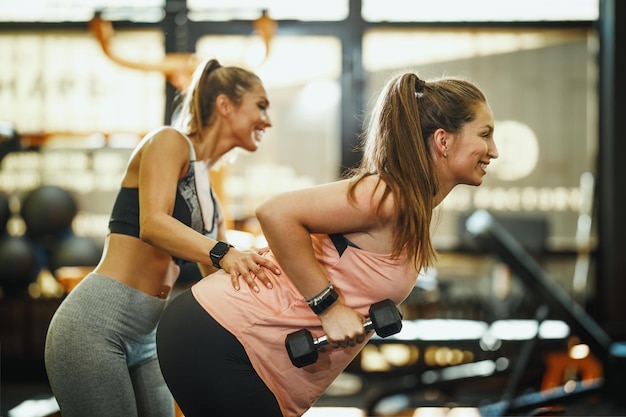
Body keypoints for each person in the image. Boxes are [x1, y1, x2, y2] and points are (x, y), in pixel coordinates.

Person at [156, 71, 499, 417]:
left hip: (236, 346)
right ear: (443, 140)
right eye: (485, 135)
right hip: (223, 336)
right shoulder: (391, 195)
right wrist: (328, 307)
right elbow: (276, 213)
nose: (494, 151)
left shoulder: (412, 208)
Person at [44, 58, 280, 417]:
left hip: (149, 337)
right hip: (95, 326)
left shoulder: (212, 199)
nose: (267, 119)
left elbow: (215, 281)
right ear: (225, 105)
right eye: (260, 105)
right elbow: (152, 224)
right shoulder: (169, 142)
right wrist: (225, 252)